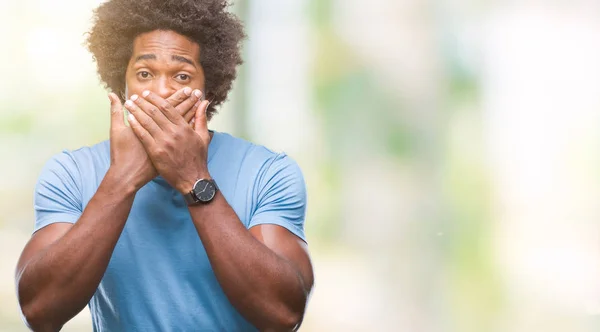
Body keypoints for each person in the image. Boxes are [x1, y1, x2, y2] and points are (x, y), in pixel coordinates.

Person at [14, 0, 314, 331]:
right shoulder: (71, 173)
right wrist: (121, 182)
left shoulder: (269, 173)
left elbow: (283, 314)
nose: (161, 92)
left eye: (181, 75)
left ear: (207, 90)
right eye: (144, 74)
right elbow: (39, 311)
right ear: (122, 84)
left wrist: (194, 178)